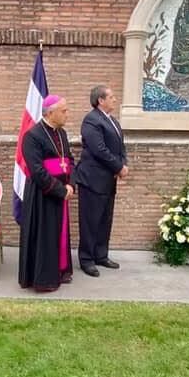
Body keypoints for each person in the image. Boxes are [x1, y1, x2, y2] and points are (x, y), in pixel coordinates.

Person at [18, 94, 75, 292]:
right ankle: (44, 279)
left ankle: (60, 270)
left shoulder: (62, 134)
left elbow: (70, 161)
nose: (67, 114)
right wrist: (60, 190)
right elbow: (37, 171)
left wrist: (71, 185)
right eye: (64, 111)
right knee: (45, 236)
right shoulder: (32, 136)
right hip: (43, 195)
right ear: (50, 113)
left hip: (63, 192)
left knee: (59, 234)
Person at [75, 85, 128, 277]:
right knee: (90, 221)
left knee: (105, 220)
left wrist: (123, 163)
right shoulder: (91, 120)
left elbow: (120, 146)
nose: (115, 99)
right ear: (100, 100)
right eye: (111, 97)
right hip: (92, 179)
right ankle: (86, 259)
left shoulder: (112, 121)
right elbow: (99, 150)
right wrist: (118, 167)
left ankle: (101, 255)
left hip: (108, 180)